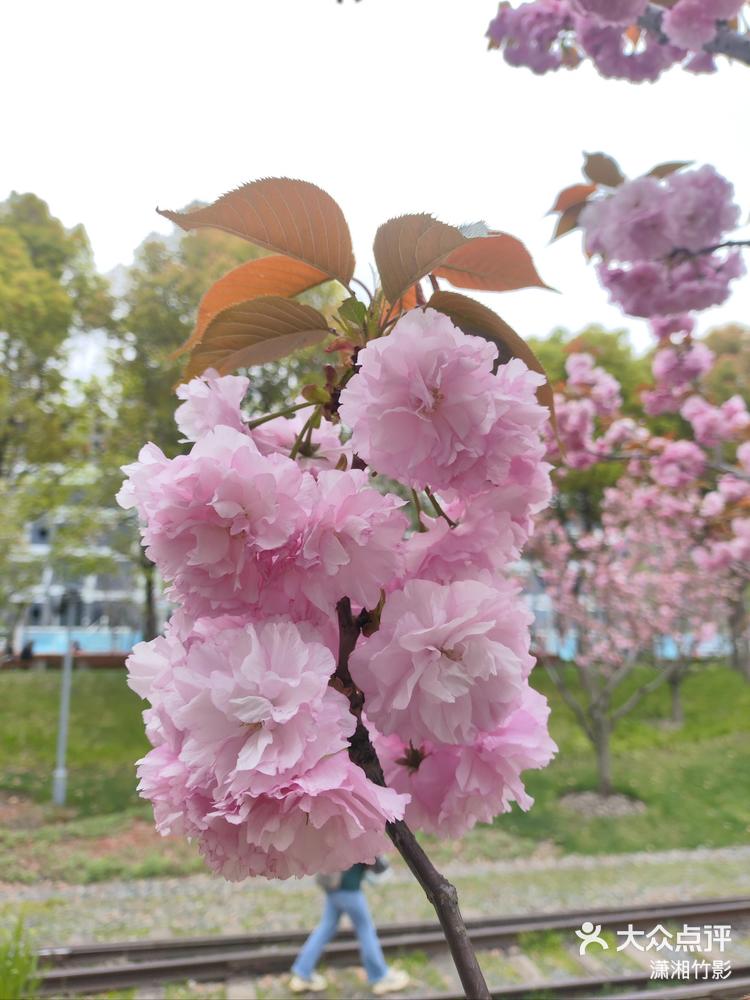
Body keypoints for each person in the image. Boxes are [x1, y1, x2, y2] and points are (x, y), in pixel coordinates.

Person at [289, 860, 410, 995]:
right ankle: (380, 976)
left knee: (326, 928)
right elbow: (376, 862)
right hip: (349, 890)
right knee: (365, 930)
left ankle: (302, 973)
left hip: (333, 888)